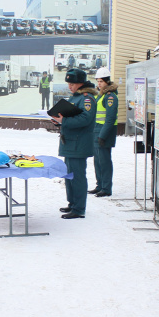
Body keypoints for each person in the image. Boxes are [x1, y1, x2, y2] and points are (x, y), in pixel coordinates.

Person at [50, 68, 97, 219]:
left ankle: (79, 208)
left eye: (72, 83)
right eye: (69, 83)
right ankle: (72, 204)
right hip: (70, 143)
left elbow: (85, 119)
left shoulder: (87, 98)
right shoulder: (75, 97)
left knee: (77, 176)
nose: (70, 86)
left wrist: (64, 120)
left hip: (79, 143)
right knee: (69, 175)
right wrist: (59, 121)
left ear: (81, 83)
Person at [90, 68, 119, 198]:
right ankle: (100, 185)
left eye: (101, 81)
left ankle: (106, 188)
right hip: (97, 130)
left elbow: (110, 118)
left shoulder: (110, 97)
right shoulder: (100, 95)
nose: (99, 83)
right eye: (98, 81)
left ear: (107, 81)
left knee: (105, 161)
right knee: (98, 161)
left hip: (104, 132)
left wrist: (103, 135)